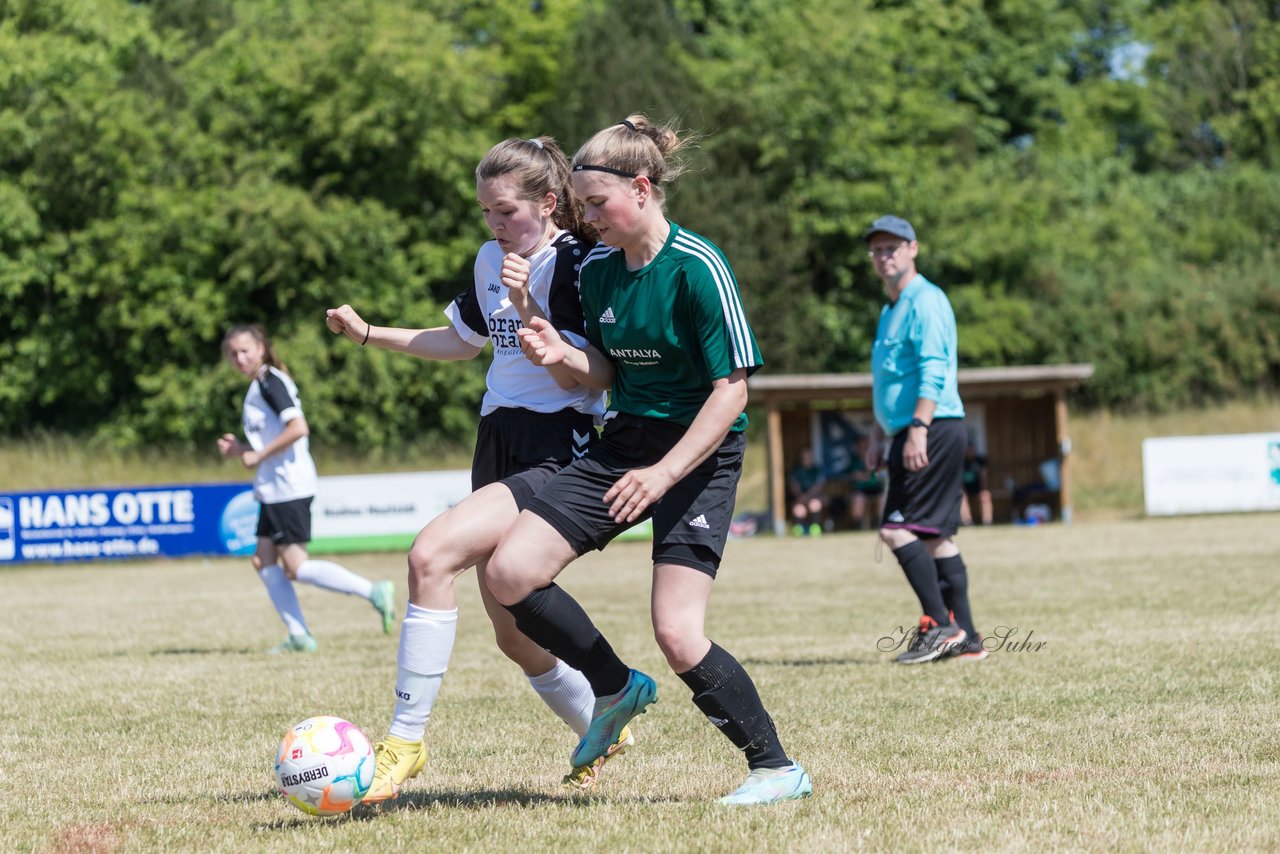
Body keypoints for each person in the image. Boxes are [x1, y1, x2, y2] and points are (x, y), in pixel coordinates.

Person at [485, 115, 812, 806]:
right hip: (624, 444)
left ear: (641, 189)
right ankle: (614, 685)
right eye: (579, 207)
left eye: (595, 205)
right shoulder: (600, 269)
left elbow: (733, 390)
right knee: (510, 571)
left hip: (699, 453)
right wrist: (563, 354)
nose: (586, 220)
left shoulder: (698, 266)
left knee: (677, 631)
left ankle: (776, 769)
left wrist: (665, 475)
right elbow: (603, 373)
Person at [324, 137, 631, 800]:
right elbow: (462, 341)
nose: (495, 225)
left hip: (559, 446)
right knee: (515, 637)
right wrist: (372, 333)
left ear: (549, 203)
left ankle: (404, 743)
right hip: (496, 440)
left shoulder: (581, 263)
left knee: (430, 555)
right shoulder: (491, 258)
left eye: (507, 211)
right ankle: (606, 723)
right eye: (486, 212)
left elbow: (581, 378)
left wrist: (528, 306)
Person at [218, 324, 396, 654]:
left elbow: (298, 428)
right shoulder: (260, 385)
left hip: (288, 488)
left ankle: (373, 591)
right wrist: (241, 449)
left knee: (296, 567)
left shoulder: (270, 381)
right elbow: (272, 439)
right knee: (263, 560)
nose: (239, 358)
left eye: (245, 350)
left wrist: (256, 454)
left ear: (261, 348)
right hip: (275, 488)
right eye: (233, 354)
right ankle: (299, 635)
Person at [862, 215, 987, 664]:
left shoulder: (926, 300)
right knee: (937, 537)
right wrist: (880, 431)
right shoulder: (890, 308)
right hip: (911, 429)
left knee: (897, 529)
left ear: (914, 248)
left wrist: (917, 428)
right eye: (877, 249)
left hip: (930, 428)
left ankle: (942, 625)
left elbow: (935, 368)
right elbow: (890, 379)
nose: (884, 255)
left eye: (893, 246)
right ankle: (968, 640)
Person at [848, 433, 887, 531]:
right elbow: (855, 475)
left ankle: (879, 524)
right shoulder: (854, 460)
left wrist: (865, 475)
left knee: (883, 498)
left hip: (876, 488)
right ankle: (858, 527)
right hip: (861, 489)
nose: (863, 447)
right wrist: (869, 475)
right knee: (858, 499)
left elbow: (878, 474)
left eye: (865, 444)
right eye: (860, 445)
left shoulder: (874, 458)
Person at [787, 446, 826, 535]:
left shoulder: (816, 470)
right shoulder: (796, 470)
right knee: (798, 509)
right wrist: (800, 496)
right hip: (800, 498)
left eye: (809, 455)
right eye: (805, 455)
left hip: (813, 497)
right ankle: (799, 530)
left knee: (815, 504)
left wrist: (808, 497)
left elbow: (817, 486)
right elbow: (794, 485)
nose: (807, 457)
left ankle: (815, 529)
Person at [960, 438, 994, 526]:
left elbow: (984, 477)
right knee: (962, 496)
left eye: (972, 450)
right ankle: (967, 521)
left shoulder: (980, 461)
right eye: (968, 450)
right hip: (966, 489)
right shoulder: (961, 462)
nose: (970, 452)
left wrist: (983, 489)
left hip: (979, 488)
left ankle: (987, 521)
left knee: (986, 495)